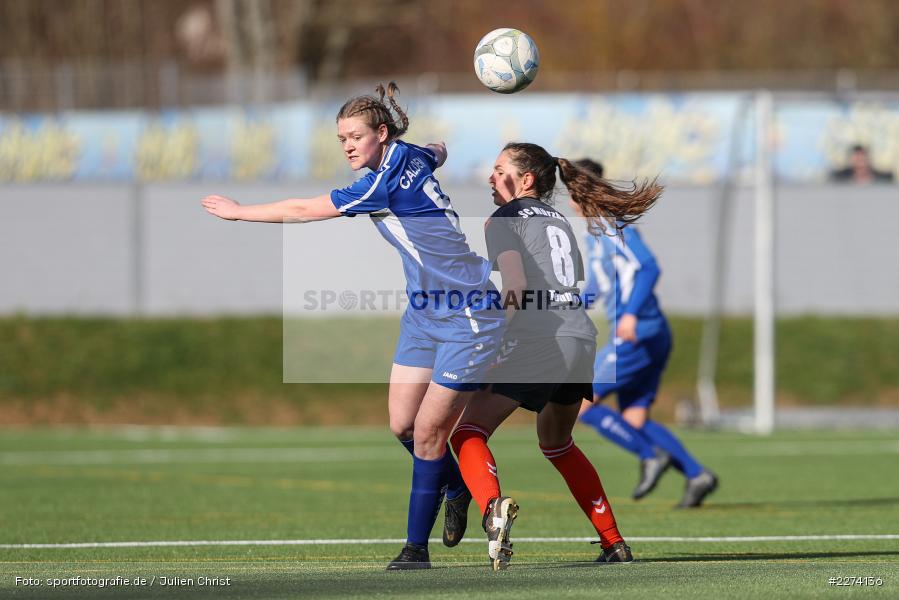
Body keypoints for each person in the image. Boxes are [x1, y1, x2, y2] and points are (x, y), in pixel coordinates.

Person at [202, 83, 506, 570]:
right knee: (402, 424)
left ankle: (415, 551)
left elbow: (303, 210)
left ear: (380, 134)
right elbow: (435, 151)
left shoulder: (377, 183)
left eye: (355, 136)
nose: (347, 145)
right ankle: (452, 486)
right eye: (341, 137)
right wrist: (438, 151)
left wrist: (240, 213)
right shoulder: (410, 154)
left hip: (469, 312)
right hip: (424, 312)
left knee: (429, 432)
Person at [449, 142, 661, 570]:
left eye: (498, 169)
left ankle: (492, 509)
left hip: (539, 339)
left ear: (525, 179)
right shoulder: (559, 220)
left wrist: (494, 342)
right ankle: (614, 542)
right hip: (580, 337)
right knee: (558, 443)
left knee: (466, 430)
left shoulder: (504, 218)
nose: (491, 177)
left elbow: (515, 285)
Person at [573, 159, 718, 508]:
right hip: (651, 332)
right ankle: (698, 474)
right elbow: (599, 284)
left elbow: (649, 266)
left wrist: (631, 316)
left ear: (580, 193)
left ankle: (650, 455)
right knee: (634, 418)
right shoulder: (598, 233)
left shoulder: (614, 228)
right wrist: (569, 305)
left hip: (637, 331)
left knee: (581, 403)